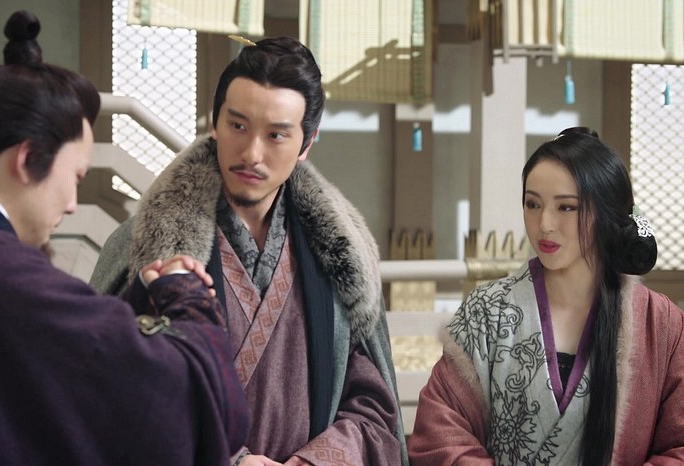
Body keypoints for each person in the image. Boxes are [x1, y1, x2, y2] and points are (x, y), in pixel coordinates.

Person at [0, 11, 248, 465]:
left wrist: (142, 302)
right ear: (28, 158)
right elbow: (188, 401)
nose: (73, 204)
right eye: (74, 177)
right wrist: (185, 295)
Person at [90, 36, 408, 466]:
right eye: (238, 126)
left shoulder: (341, 254)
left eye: (276, 135)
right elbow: (110, 391)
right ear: (215, 123)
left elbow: (373, 406)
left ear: (306, 143)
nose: (252, 153)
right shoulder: (142, 246)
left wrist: (314, 461)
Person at [408, 127, 684, 465]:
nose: (545, 224)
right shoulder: (486, 311)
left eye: (566, 207)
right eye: (532, 204)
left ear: (607, 213)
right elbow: (440, 434)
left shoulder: (660, 324)